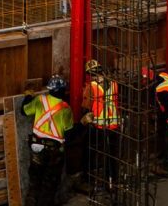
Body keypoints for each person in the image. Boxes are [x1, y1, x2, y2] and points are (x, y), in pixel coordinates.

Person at [23, 74, 74, 206]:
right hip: (53, 151)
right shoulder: (65, 108)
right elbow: (69, 132)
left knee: (34, 181)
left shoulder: (40, 100)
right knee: (49, 185)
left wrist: (28, 96)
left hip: (36, 146)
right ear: (63, 90)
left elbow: (24, 111)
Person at [80, 60, 120, 191]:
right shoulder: (114, 83)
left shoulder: (91, 86)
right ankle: (112, 182)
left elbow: (86, 107)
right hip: (114, 124)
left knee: (90, 152)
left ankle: (88, 180)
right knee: (112, 155)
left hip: (98, 126)